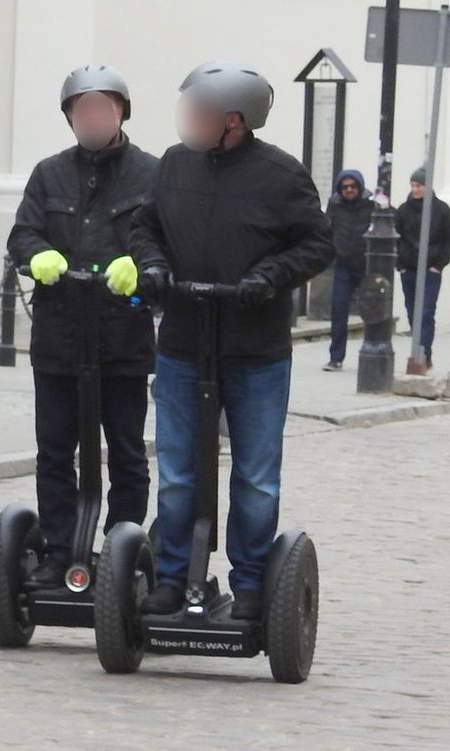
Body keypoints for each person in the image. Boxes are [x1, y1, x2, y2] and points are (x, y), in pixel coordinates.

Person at [130, 60, 334, 620]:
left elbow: (318, 245)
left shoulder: (281, 176)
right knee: (175, 471)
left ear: (235, 122)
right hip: (182, 342)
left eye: (200, 112)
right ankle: (172, 577)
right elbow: (145, 227)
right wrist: (152, 267)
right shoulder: (174, 165)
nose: (188, 121)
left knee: (256, 476)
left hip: (254, 349)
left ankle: (249, 584)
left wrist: (268, 278)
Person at [6, 64, 157, 586]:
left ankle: (122, 546)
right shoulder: (49, 174)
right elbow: (21, 235)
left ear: (120, 112)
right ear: (70, 116)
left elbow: (163, 241)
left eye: (102, 107)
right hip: (59, 338)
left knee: (127, 452)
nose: (92, 117)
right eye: (82, 109)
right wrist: (39, 254)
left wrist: (139, 265)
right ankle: (58, 551)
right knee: (54, 451)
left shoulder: (152, 174)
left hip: (122, 337)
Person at [395, 166, 450, 370]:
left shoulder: (441, 210)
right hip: (409, 269)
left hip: (431, 270)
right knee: (413, 312)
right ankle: (418, 349)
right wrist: (401, 264)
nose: (415, 189)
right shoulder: (404, 210)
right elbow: (395, 237)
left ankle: (423, 353)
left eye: (419, 185)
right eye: (413, 185)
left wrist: (439, 265)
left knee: (426, 312)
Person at [323, 169, 374, 371]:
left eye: (353, 186)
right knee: (339, 310)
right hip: (343, 264)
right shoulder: (334, 205)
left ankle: (371, 354)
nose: (349, 190)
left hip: (367, 265)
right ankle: (336, 357)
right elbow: (326, 229)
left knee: (373, 312)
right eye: (345, 187)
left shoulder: (372, 204)